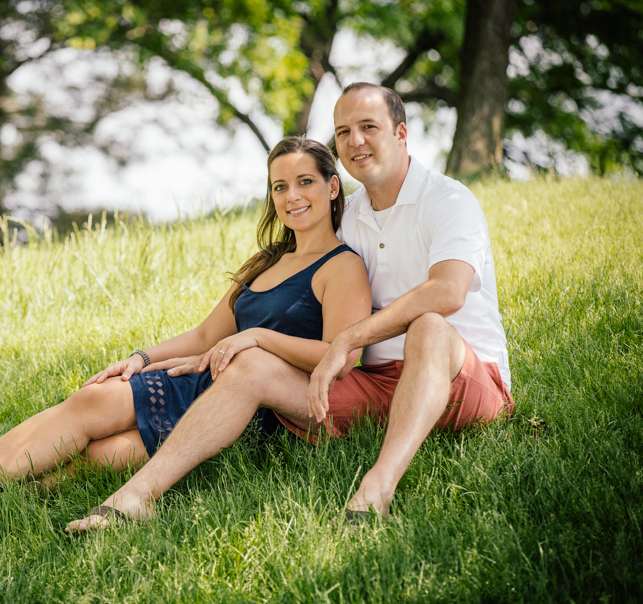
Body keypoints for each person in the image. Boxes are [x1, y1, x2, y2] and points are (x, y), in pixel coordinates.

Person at [66, 82, 512, 531]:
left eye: (369, 127)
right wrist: (180, 355)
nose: (355, 141)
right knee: (251, 364)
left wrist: (350, 338)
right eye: (343, 132)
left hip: (461, 380)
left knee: (428, 327)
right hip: (368, 385)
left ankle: (377, 486)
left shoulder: (449, 200)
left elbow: (448, 291)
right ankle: (136, 496)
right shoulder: (347, 215)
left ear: (400, 133)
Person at [0, 137, 372, 518]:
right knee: (90, 404)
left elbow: (339, 357)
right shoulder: (265, 262)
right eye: (279, 186)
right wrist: (142, 359)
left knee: (107, 454)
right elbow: (202, 337)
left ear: (332, 187)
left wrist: (257, 337)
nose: (291, 196)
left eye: (305, 182)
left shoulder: (341, 266)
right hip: (202, 376)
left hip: (256, 407)